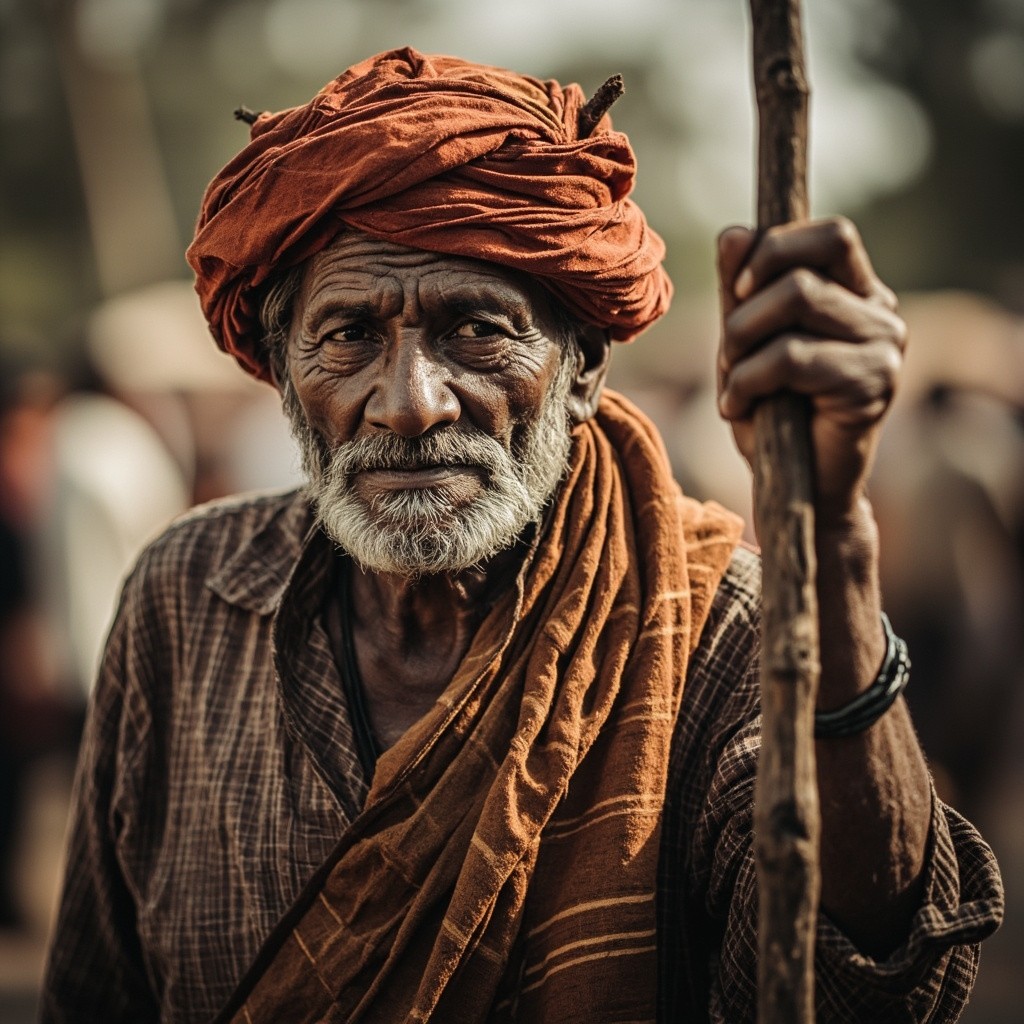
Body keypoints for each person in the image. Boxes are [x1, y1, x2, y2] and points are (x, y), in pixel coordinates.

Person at [41, 49, 1003, 1023]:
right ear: (286, 379)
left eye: (475, 329)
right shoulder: (187, 595)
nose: (410, 404)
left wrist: (830, 532)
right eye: (348, 336)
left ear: (583, 366)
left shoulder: (723, 631)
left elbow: (876, 988)